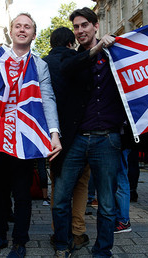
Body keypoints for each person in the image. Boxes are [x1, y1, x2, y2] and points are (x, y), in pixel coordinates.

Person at [0, 13, 61, 258]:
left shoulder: (39, 64)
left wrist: (54, 133)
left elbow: (47, 98)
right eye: (18, 26)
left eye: (27, 27)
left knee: (22, 193)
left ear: (34, 34)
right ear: (11, 31)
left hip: (24, 138)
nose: (22, 30)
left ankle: (20, 241)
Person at [50, 7, 125, 257]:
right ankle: (62, 243)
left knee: (105, 203)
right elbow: (67, 69)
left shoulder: (118, 54)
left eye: (84, 25)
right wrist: (97, 49)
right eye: (76, 27)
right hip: (76, 140)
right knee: (60, 197)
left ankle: (102, 250)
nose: (80, 31)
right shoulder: (73, 58)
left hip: (108, 139)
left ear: (96, 26)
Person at [43, 27, 90, 250]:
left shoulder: (42, 63)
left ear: (52, 44)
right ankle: (78, 231)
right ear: (71, 43)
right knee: (81, 184)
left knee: (58, 184)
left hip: (53, 135)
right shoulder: (82, 60)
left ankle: (58, 231)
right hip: (81, 132)